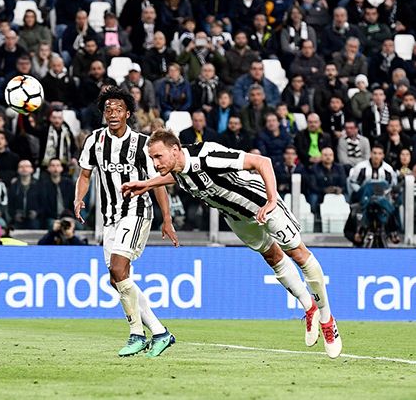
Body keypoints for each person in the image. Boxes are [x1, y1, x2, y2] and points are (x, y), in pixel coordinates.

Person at [122, 129, 342, 359]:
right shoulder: (177, 169)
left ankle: (327, 320)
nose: (155, 163)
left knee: (298, 254)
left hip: (261, 205)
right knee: (272, 257)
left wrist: (271, 200)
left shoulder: (207, 156)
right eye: (152, 158)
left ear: (175, 150)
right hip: (237, 218)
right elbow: (177, 176)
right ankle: (309, 307)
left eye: (158, 157)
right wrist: (147, 184)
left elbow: (261, 161)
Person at [74, 86, 177, 358]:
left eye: (118, 109)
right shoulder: (94, 141)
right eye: (108, 109)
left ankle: (136, 334)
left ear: (128, 113)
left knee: (119, 269)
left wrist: (167, 218)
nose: (113, 113)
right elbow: (85, 175)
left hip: (137, 211)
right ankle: (159, 332)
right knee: (116, 279)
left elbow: (158, 184)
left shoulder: (143, 144)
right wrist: (79, 198)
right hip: (110, 218)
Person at [307, 147, 347, 212]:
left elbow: (343, 183)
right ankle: (314, 217)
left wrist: (339, 189)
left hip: (336, 192)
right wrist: (324, 190)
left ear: (333, 156)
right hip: (320, 193)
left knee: (346, 197)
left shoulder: (340, 168)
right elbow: (312, 186)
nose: (328, 157)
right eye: (325, 155)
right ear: (321, 156)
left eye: (330, 155)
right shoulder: (314, 168)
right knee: (313, 197)